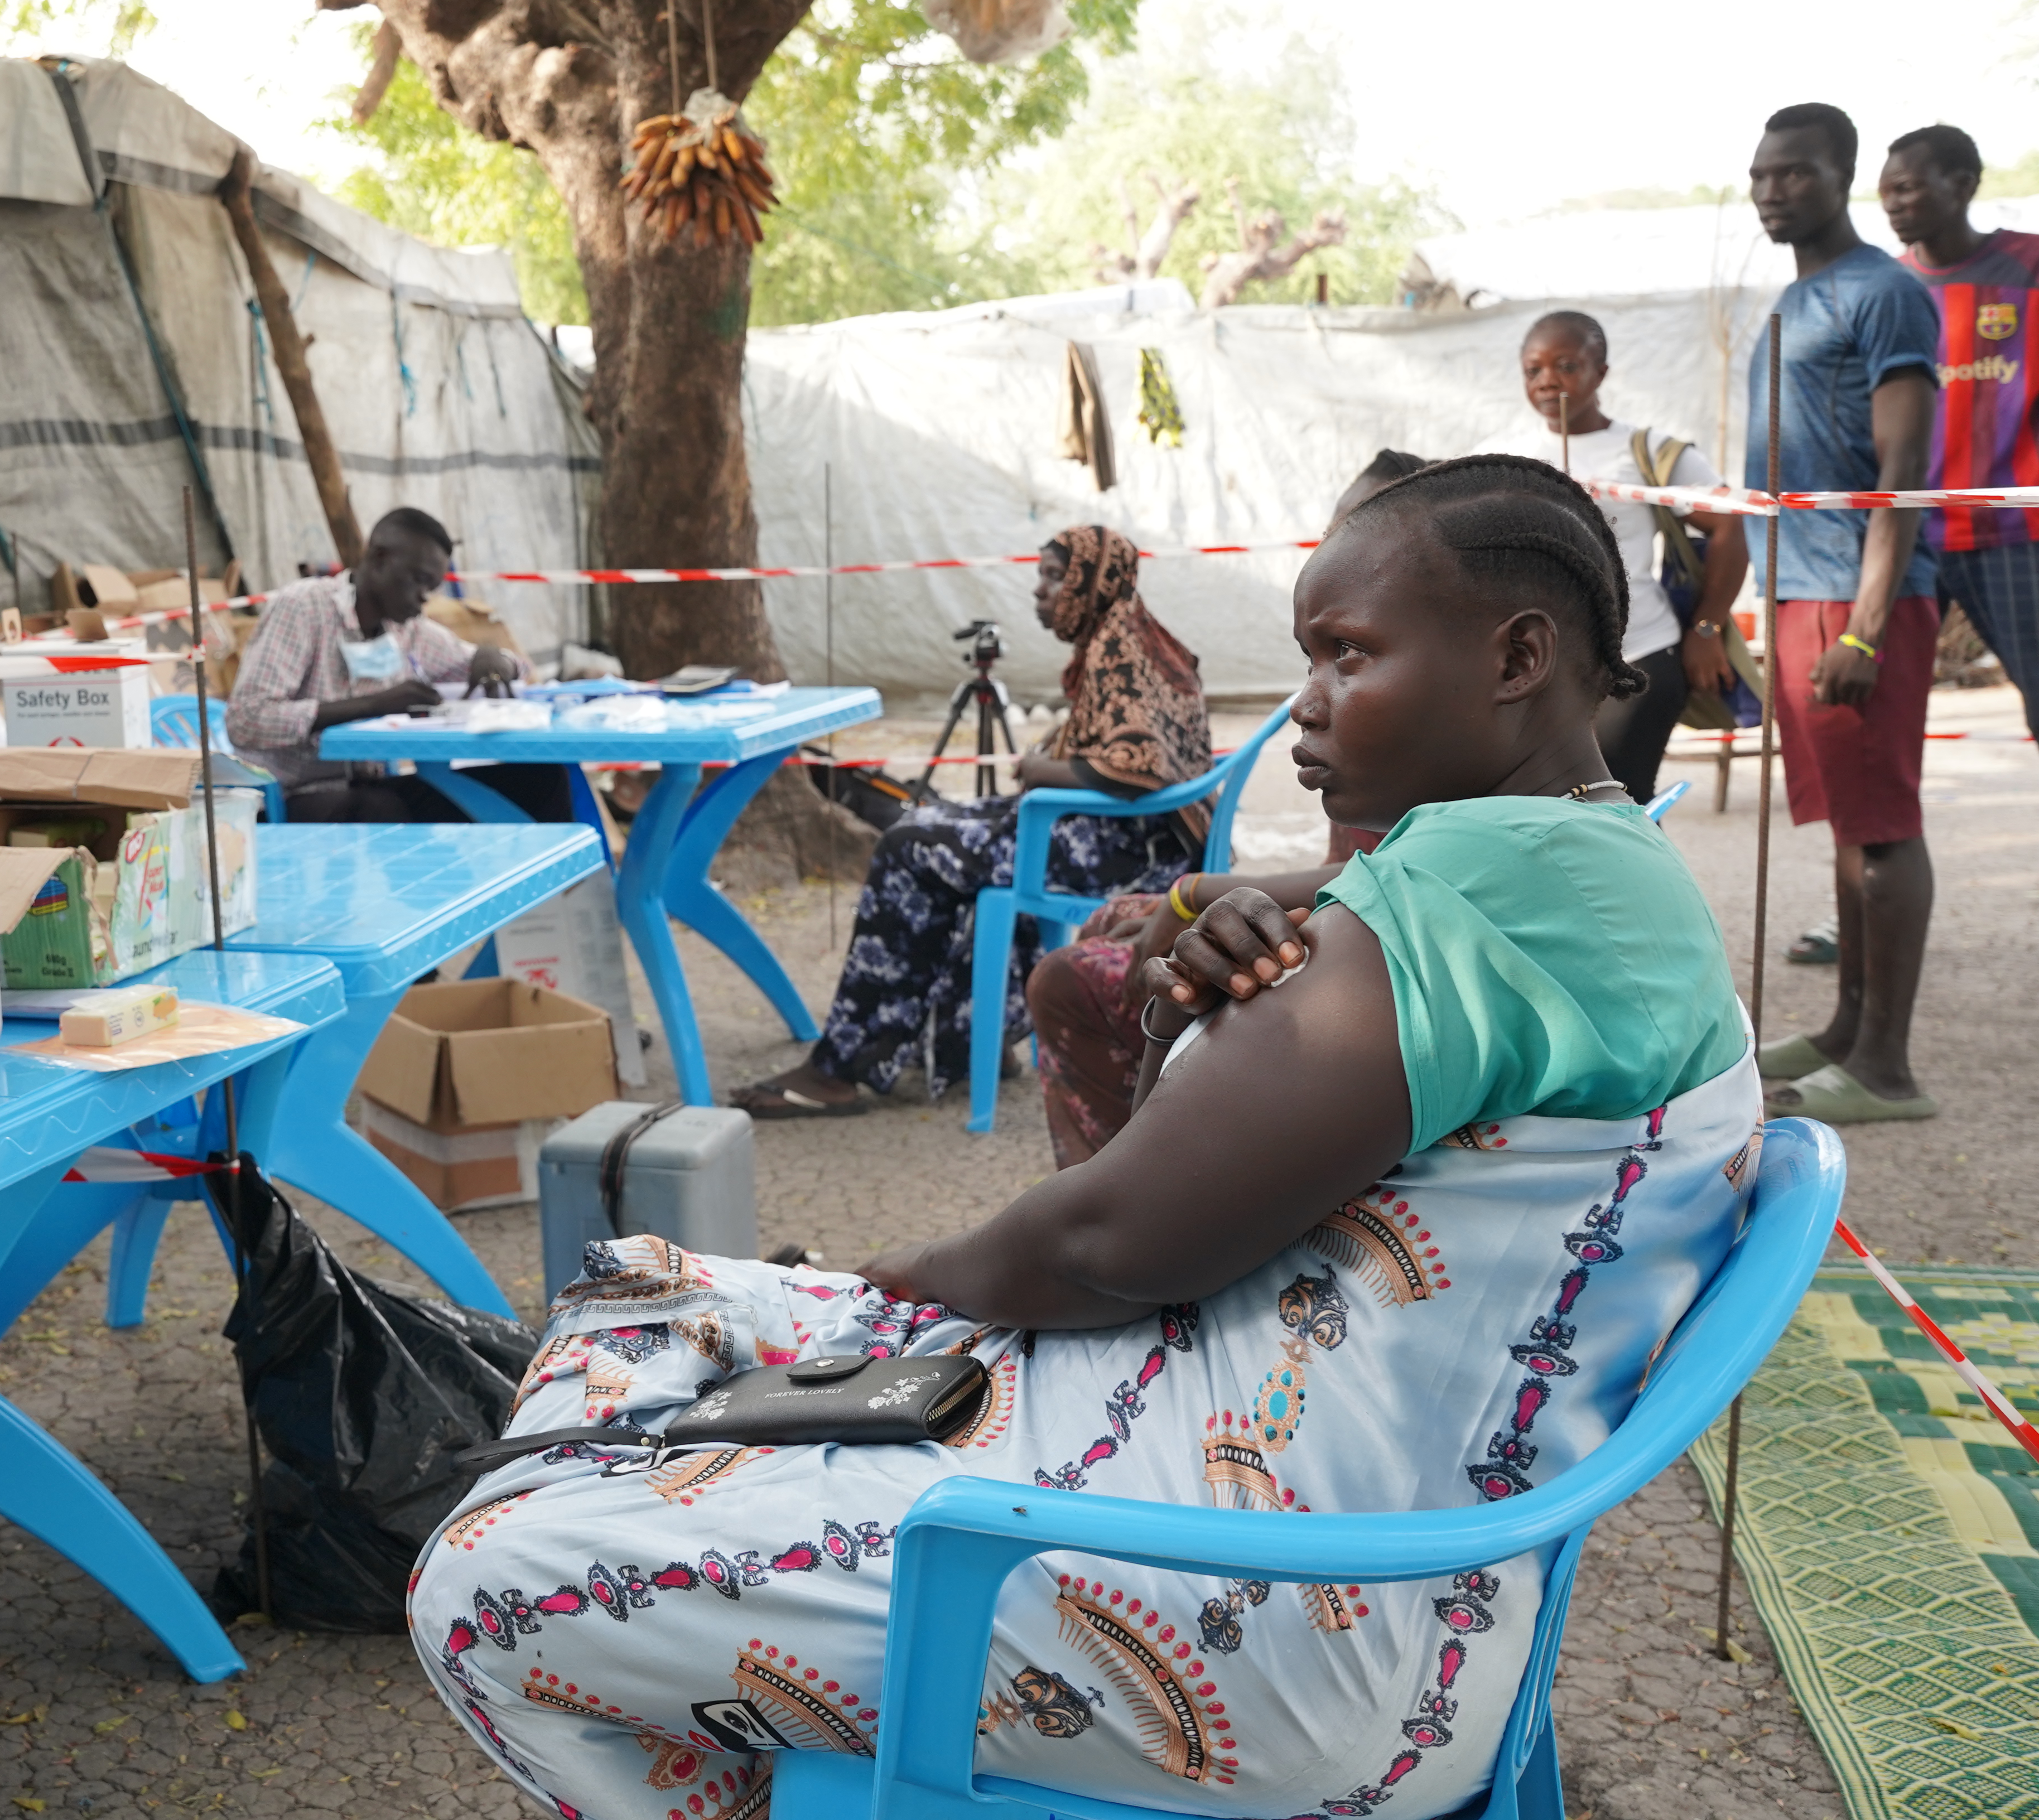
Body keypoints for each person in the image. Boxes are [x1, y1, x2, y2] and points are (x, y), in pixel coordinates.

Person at [409, 455, 1757, 1820]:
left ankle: (765, 1751)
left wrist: (898, 1281)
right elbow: (1243, 1072)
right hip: (1331, 1554)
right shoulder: (1579, 862)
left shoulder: (1489, 889)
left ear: (1517, 654)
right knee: (640, 1290)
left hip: (1262, 1623)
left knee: (480, 1575)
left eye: (1348, 655)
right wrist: (1217, 960)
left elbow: (1111, 1239)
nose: (1306, 700)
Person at [1022, 452, 1424, 1165]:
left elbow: (1391, 883)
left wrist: (1192, 894)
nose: (1306, 700)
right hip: (1338, 915)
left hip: (1358, 955)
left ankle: (1114, 1204)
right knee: (1111, 919)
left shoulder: (1424, 723)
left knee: (1071, 977)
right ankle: (1119, 1190)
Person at [730, 525, 1208, 1119]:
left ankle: (844, 1067)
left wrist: (1041, 766)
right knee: (929, 823)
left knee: (909, 846)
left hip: (1127, 845)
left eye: (1055, 577)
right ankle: (963, 1040)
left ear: (1092, 580)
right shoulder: (1129, 634)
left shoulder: (1120, 648)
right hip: (1127, 834)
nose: (1040, 591)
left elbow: (1132, 767)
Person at [1744, 103, 1944, 1124]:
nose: (1774, 191)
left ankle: (1888, 1068)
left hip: (1856, 599)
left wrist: (1865, 627)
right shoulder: (1794, 299)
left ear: (1843, 177)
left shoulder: (1884, 293)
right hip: (1796, 591)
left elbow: (1902, 474)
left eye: (1796, 174)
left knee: (1885, 829)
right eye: (1761, 175)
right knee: (1845, 829)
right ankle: (1846, 1028)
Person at [1478, 310, 1750, 800]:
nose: (1548, 381)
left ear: (1600, 372)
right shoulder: (1503, 454)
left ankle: (1649, 879)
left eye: (1567, 365)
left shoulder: (1644, 450)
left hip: (1638, 655)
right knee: (1549, 803)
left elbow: (1728, 523)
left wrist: (1707, 628)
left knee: (1618, 799)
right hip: (1544, 665)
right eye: (1533, 370)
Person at [226, 505, 547, 824]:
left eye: (432, 588)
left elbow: (492, 664)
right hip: (292, 795)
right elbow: (247, 718)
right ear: (379, 558)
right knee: (386, 811)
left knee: (536, 782)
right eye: (419, 580)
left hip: (369, 786)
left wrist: (494, 658)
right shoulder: (304, 608)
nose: (425, 597)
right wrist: (375, 705)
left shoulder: (408, 629)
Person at [1881, 122, 2039, 740]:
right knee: (1885, 714)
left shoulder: (2027, 266)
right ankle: (1887, 841)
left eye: (1909, 188)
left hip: (2015, 530)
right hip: (1908, 534)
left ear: (1964, 185)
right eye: (1886, 191)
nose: (1894, 202)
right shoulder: (1887, 284)